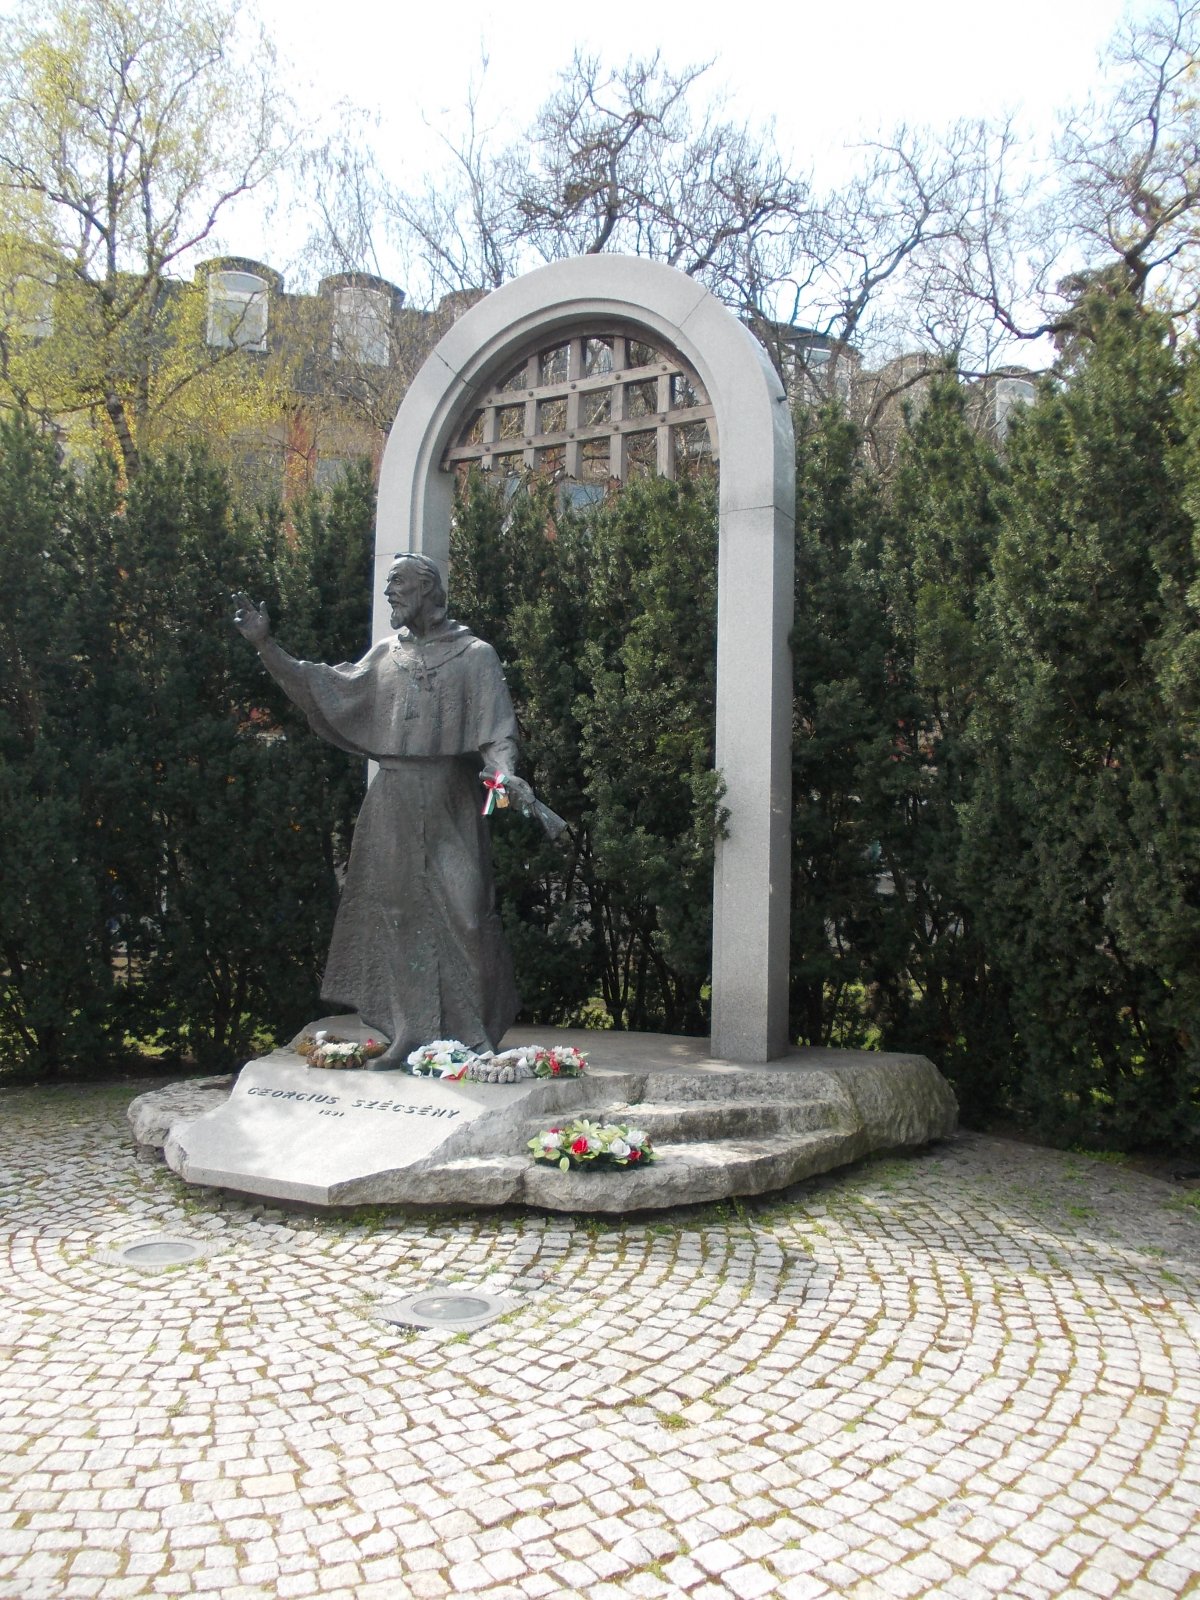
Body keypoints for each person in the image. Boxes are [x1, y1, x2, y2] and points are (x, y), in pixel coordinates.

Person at [232, 555, 534, 1067]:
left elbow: (497, 732)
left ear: (427, 589)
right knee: (397, 915)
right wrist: (266, 646)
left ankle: (476, 1034)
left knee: (468, 913)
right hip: (392, 799)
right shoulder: (386, 656)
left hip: (450, 798)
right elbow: (319, 684)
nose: (389, 593)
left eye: (398, 584)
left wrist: (504, 773)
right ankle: (411, 1034)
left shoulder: (475, 655)